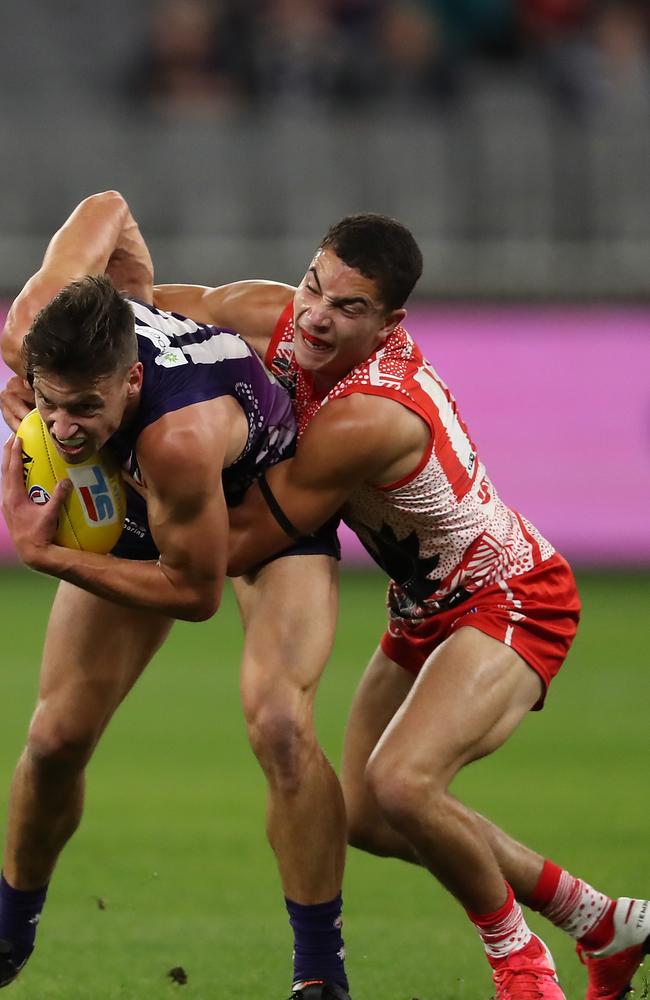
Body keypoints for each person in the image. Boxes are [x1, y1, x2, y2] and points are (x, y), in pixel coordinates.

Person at [150, 213, 650, 1000]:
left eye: (350, 307)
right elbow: (143, 314)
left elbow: (241, 543)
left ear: (390, 323)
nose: (317, 314)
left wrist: (107, 520)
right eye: (316, 284)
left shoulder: (370, 412)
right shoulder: (275, 316)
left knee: (404, 783)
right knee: (368, 815)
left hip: (511, 596)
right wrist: (54, 341)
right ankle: (599, 921)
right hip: (422, 609)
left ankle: (521, 966)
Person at [0, 191, 351, 1000]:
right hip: (148, 502)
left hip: (260, 504)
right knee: (53, 738)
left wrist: (44, 555)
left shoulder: (178, 435)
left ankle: (319, 974)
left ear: (129, 381)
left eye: (85, 407)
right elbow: (110, 206)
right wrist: (138, 290)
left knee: (279, 727)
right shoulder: (31, 331)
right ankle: (9, 933)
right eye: (45, 401)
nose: (60, 429)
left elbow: (193, 591)